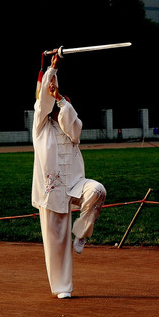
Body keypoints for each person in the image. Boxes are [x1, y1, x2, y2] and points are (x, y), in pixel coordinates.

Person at [32, 54, 106, 299]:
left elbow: (71, 122)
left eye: (66, 102)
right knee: (55, 243)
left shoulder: (73, 129)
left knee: (98, 191)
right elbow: (42, 102)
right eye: (60, 102)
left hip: (75, 185)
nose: (64, 104)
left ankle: (82, 233)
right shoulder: (41, 127)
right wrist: (53, 70)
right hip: (51, 191)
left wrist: (61, 99)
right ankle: (62, 288)